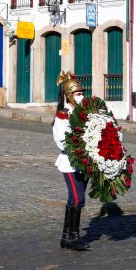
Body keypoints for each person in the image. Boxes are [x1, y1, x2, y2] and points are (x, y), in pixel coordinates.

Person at [52, 71, 89, 251]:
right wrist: (77, 145)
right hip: (70, 162)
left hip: (85, 162)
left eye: (82, 93)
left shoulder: (85, 112)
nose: (81, 97)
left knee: (75, 199)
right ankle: (72, 237)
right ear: (69, 95)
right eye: (78, 94)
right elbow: (60, 139)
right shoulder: (63, 115)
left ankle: (68, 236)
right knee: (77, 198)